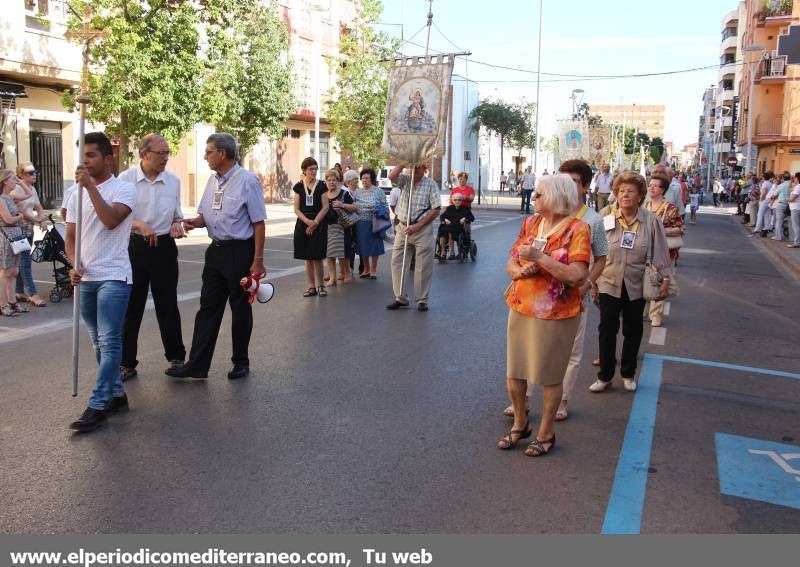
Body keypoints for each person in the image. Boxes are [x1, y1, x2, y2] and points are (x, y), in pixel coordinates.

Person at [499, 174, 590, 457]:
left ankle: (546, 432)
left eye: (538, 194)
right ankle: (520, 423)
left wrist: (540, 259)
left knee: (550, 376)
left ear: (555, 196)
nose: (533, 198)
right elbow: (512, 260)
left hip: (557, 313)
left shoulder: (578, 229)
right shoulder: (531, 223)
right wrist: (519, 271)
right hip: (522, 305)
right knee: (515, 372)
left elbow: (577, 276)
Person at [167, 133, 266, 381]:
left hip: (239, 252)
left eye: (208, 151)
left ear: (222, 153)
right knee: (207, 308)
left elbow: (258, 223)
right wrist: (193, 222)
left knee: (240, 309)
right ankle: (197, 365)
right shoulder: (212, 181)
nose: (205, 156)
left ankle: (240, 362)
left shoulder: (247, 181)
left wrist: (257, 259)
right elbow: (206, 215)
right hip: (216, 252)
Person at [64, 132, 137, 432]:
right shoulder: (73, 192)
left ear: (108, 158)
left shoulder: (125, 189)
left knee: (108, 342)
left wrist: (90, 187)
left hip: (115, 276)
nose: (86, 162)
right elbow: (70, 238)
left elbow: (110, 220)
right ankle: (117, 393)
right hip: (87, 278)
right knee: (97, 341)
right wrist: (73, 265)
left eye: (91, 156)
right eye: (83, 157)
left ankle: (98, 403)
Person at [590, 172, 670, 394]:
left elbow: (661, 253)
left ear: (640, 196)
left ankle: (628, 373)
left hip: (636, 282)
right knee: (607, 328)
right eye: (621, 191)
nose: (624, 195)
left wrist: (665, 280)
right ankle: (605, 376)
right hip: (608, 279)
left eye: (630, 191)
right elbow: (593, 251)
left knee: (633, 330)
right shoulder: (605, 215)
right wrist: (592, 281)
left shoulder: (650, 220)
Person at [117, 134, 186, 381]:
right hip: (136, 247)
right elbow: (118, 216)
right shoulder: (125, 180)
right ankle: (126, 362)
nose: (165, 158)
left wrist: (178, 223)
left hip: (165, 247)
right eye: (161, 153)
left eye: (168, 153)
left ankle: (176, 357)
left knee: (167, 304)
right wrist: (139, 225)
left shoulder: (173, 181)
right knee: (132, 306)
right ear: (145, 154)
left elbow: (177, 211)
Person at [387, 163, 441, 312]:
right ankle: (400, 297)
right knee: (397, 262)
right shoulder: (405, 180)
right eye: (414, 166)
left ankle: (422, 300)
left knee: (423, 265)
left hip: (421, 228)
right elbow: (391, 176)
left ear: (425, 169)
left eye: (419, 167)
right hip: (403, 227)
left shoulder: (430, 184)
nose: (415, 170)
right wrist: (404, 162)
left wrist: (418, 225)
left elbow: (436, 209)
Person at [644, 174, 684, 327]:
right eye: (650, 185)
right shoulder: (644, 206)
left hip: (665, 251)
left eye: (655, 186)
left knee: (661, 280)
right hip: (646, 250)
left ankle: (656, 314)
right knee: (648, 279)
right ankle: (647, 309)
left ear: (663, 190)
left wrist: (661, 230)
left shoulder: (671, 209)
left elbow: (681, 228)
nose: (651, 188)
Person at [12, 162, 47, 307]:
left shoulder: (32, 189)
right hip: (17, 231)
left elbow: (38, 206)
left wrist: (42, 218)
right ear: (21, 175)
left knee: (22, 261)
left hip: (28, 229)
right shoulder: (15, 190)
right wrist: (37, 220)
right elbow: (21, 212)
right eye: (30, 173)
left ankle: (19, 291)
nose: (34, 175)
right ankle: (33, 294)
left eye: (35, 172)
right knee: (25, 262)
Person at [292, 157, 329, 296]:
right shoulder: (298, 186)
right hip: (303, 222)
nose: (313, 171)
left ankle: (321, 286)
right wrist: (308, 222)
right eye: (310, 169)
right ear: (304, 170)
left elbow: (325, 207)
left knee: (318, 256)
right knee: (307, 256)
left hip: (318, 223)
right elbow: (296, 209)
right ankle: (311, 286)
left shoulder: (321, 185)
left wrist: (315, 223)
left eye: (315, 168)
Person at [0, 169, 27, 317]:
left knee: (14, 271)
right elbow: (8, 220)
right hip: (6, 236)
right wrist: (20, 216)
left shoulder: (10, 197)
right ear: (4, 181)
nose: (15, 181)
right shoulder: (1, 199)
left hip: (16, 236)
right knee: (5, 271)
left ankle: (12, 301)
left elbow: (28, 194)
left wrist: (21, 181)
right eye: (12, 179)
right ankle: (3, 304)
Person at [353, 167, 388, 280]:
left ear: (371, 179)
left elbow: (385, 207)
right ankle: (366, 269)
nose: (364, 180)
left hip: (374, 222)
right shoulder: (358, 192)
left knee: (374, 247)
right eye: (362, 178)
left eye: (367, 178)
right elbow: (354, 205)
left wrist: (376, 209)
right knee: (362, 246)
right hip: (361, 222)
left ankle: (373, 270)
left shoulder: (378, 191)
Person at [324, 168, 356, 285]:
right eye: (329, 180)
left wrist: (342, 205)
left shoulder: (344, 193)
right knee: (329, 254)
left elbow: (355, 208)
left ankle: (346, 272)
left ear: (338, 181)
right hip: (327, 227)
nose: (331, 182)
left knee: (342, 254)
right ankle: (332, 278)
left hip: (342, 227)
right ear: (326, 182)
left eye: (334, 180)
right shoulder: (324, 195)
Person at [437, 192, 474, 262]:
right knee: (442, 231)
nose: (457, 201)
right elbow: (442, 216)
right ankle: (443, 252)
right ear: (452, 200)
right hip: (449, 226)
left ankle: (452, 252)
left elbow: (472, 218)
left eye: (459, 200)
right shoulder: (450, 208)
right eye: (455, 200)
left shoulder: (466, 208)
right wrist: (445, 219)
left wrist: (465, 218)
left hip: (459, 227)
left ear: (462, 200)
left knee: (450, 231)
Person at [343, 169, 362, 275]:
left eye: (357, 179)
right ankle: (350, 266)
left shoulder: (361, 192)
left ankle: (362, 266)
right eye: (355, 179)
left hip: (360, 221)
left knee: (360, 243)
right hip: (349, 223)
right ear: (348, 182)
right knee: (350, 245)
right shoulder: (345, 192)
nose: (357, 181)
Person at [770, 172, 791, 242]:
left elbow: (774, 195)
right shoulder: (793, 185)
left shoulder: (781, 186)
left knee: (779, 221)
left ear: (783, 178)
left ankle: (778, 236)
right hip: (790, 205)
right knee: (790, 222)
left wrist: (771, 197)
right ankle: (792, 237)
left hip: (781, 204)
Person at [753, 171, 775, 236]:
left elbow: (764, 192)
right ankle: (767, 227)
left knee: (760, 214)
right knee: (767, 214)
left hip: (764, 200)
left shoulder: (765, 183)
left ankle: (757, 228)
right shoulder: (770, 183)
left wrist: (761, 199)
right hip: (769, 200)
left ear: (763, 177)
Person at [788, 172, 800, 248]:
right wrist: (790, 181)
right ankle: (797, 240)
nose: (794, 179)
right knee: (797, 225)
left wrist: (789, 200)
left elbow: (794, 197)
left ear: (797, 179)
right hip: (796, 208)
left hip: (795, 208)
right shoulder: (797, 186)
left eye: (795, 178)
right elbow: (789, 189)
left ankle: (797, 242)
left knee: (796, 226)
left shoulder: (798, 187)